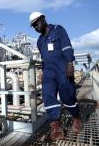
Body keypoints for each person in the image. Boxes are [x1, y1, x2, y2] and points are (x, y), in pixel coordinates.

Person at [29, 12, 82, 140]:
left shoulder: (58, 29)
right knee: (48, 95)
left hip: (62, 68)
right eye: (34, 26)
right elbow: (44, 58)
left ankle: (76, 117)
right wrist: (43, 72)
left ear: (43, 19)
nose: (36, 27)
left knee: (67, 94)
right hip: (48, 72)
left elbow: (67, 46)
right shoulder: (40, 40)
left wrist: (70, 62)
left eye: (37, 23)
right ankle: (56, 126)